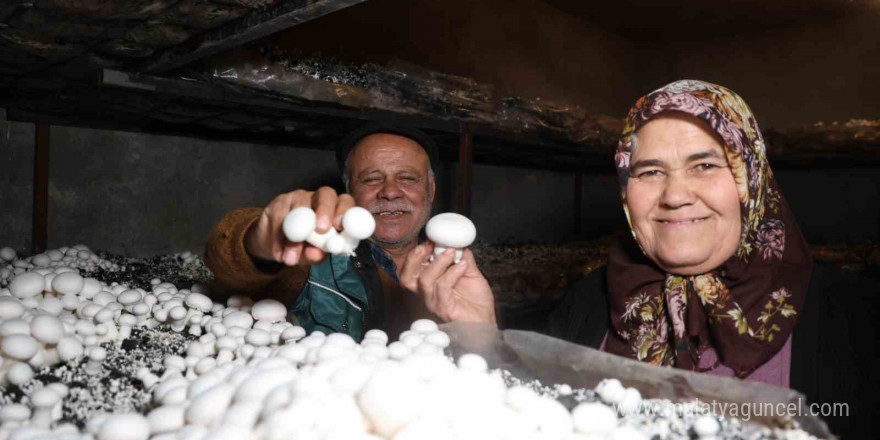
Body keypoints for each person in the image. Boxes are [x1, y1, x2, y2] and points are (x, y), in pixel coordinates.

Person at [437, 80, 879, 437]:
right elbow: (537, 418)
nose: (675, 196)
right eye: (649, 172)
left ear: (752, 180)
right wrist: (481, 337)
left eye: (704, 165)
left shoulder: (852, 315)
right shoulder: (590, 299)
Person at [204, 123, 495, 341]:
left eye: (407, 178)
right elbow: (230, 263)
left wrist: (483, 332)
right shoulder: (313, 260)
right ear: (350, 191)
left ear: (430, 189)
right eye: (371, 179)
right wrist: (260, 240)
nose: (391, 191)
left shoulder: (458, 275)